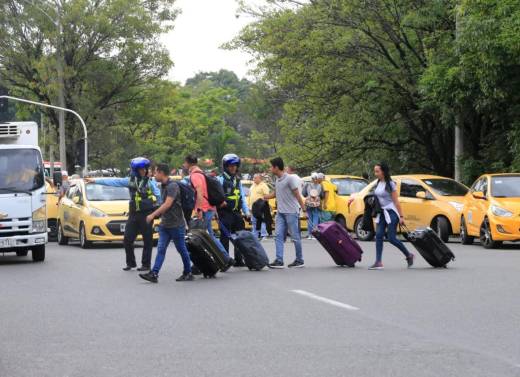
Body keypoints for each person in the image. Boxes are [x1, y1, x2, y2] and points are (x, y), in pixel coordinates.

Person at [85, 157, 161, 271]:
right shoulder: (129, 180)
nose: (144, 171)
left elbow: (159, 195)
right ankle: (131, 263)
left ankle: (146, 265)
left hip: (147, 214)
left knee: (148, 240)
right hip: (134, 214)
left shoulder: (151, 182)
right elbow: (114, 181)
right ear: (135, 170)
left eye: (144, 169)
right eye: (141, 169)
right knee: (127, 239)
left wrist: (158, 209)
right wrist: (95, 181)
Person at [139, 164, 193, 283]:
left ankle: (188, 272)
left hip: (176, 225)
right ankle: (154, 273)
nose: (153, 175)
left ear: (161, 172)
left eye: (155, 172)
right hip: (165, 225)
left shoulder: (172, 186)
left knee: (181, 249)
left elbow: (167, 204)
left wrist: (153, 215)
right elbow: (163, 204)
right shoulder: (163, 186)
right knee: (161, 249)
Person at [183, 154, 234, 270]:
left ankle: (200, 264)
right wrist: (214, 209)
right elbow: (209, 193)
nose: (184, 165)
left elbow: (200, 193)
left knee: (197, 237)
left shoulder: (195, 176)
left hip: (204, 209)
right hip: (209, 208)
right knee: (210, 236)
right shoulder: (202, 174)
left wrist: (199, 210)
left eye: (185, 163)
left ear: (189, 163)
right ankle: (226, 259)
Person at [367, 162, 414, 270]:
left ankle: (409, 255)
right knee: (378, 235)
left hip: (392, 212)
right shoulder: (378, 182)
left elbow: (396, 202)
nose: (375, 173)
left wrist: (401, 217)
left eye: (377, 171)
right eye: (375, 171)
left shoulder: (390, 184)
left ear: (383, 171)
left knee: (391, 238)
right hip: (382, 213)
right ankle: (378, 262)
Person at [264, 157, 306, 269]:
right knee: (278, 235)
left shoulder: (290, 179)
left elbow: (297, 194)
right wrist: (265, 197)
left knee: (295, 237)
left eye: (271, 167)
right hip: (281, 213)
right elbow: (276, 193)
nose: (270, 168)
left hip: (291, 212)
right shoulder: (277, 180)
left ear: (276, 167)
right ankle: (279, 260)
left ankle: (299, 260)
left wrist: (304, 208)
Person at [216, 154, 250, 266]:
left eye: (235, 165)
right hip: (225, 213)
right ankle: (225, 261)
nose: (233, 168)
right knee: (224, 238)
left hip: (236, 213)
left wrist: (246, 212)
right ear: (225, 166)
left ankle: (239, 260)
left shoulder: (237, 180)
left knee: (239, 237)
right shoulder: (220, 179)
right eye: (230, 166)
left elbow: (242, 198)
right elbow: (214, 196)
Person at [248, 173, 272, 239]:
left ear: (260, 179)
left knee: (262, 220)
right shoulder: (252, 185)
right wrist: (249, 207)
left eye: (255, 178)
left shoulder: (264, 186)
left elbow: (266, 197)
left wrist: (264, 207)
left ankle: (264, 235)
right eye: (253, 178)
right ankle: (255, 235)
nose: (253, 179)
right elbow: (250, 196)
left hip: (261, 207)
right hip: (253, 207)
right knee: (254, 221)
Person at [302, 172, 324, 239]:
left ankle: (309, 235)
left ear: (311, 178)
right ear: (317, 178)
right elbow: (322, 195)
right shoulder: (320, 186)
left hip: (309, 204)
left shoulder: (307, 185)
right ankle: (314, 234)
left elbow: (303, 194)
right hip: (316, 204)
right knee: (315, 218)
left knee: (310, 219)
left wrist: (309, 196)